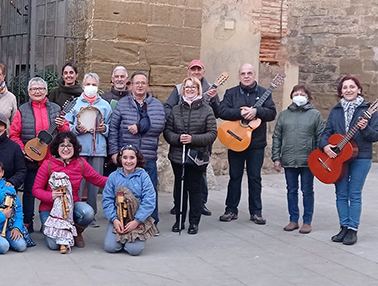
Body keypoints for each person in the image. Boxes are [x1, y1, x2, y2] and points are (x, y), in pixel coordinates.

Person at [321, 76, 378, 245]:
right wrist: (325, 146)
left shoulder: (369, 110)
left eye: (352, 87)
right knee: (340, 193)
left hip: (360, 156)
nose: (348, 90)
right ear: (340, 92)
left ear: (359, 89)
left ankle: (353, 229)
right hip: (339, 158)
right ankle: (343, 226)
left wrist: (366, 128)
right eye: (345, 87)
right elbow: (326, 133)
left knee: (354, 193)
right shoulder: (336, 111)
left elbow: (376, 135)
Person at [218, 63, 277, 225]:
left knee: (255, 177)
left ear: (254, 75)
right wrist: (240, 112)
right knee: (234, 176)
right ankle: (231, 209)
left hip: (256, 144)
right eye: (243, 73)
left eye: (249, 73)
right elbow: (222, 111)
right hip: (235, 140)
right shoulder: (231, 93)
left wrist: (257, 112)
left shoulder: (264, 93)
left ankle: (256, 212)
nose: (246, 76)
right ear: (239, 76)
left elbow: (272, 113)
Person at [9, 77, 69, 233]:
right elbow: (14, 134)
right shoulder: (23, 110)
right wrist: (24, 151)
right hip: (30, 158)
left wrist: (63, 126)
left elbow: (66, 134)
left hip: (51, 159)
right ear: (29, 92)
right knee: (29, 191)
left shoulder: (56, 109)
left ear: (46, 91)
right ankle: (28, 222)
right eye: (34, 89)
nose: (37, 91)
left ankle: (50, 220)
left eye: (41, 88)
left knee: (51, 191)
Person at [107, 71, 165, 226]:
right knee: (123, 190)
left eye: (143, 83)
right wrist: (113, 152)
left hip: (147, 155)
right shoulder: (122, 104)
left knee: (150, 190)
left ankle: (152, 222)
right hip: (126, 157)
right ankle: (122, 220)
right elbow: (113, 129)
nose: (140, 85)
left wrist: (139, 127)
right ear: (130, 85)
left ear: (147, 85)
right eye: (136, 83)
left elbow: (159, 125)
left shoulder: (156, 105)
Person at [164, 59, 219, 217]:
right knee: (179, 179)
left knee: (199, 179)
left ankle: (200, 205)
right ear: (188, 71)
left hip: (199, 148)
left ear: (203, 72)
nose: (196, 72)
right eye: (193, 69)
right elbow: (167, 107)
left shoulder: (210, 90)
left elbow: (217, 113)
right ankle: (178, 206)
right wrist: (174, 121)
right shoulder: (179, 89)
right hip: (179, 148)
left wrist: (214, 100)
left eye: (199, 69)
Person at [32, 131, 106, 249]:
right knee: (54, 245)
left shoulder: (80, 163)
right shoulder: (48, 165)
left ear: (74, 147)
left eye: (69, 145)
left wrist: (119, 179)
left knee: (88, 213)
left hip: (71, 207)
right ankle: (48, 226)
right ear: (57, 148)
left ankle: (76, 232)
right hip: (50, 210)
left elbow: (98, 180)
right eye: (62, 145)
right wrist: (51, 195)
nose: (66, 149)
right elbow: (36, 190)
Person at [272, 84, 324, 234]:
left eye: (302, 93)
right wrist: (276, 157)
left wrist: (319, 159)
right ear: (291, 96)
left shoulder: (315, 115)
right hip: (288, 159)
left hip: (309, 160)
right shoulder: (284, 115)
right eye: (296, 93)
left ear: (308, 97)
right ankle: (293, 219)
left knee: (307, 191)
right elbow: (277, 137)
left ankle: (307, 221)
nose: (299, 96)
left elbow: (321, 137)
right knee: (291, 190)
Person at [64, 72, 111, 227]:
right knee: (78, 182)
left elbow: (112, 126)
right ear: (83, 86)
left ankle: (92, 215)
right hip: (80, 149)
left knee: (95, 183)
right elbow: (66, 126)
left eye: (94, 84)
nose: (91, 87)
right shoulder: (75, 104)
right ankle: (75, 213)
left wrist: (105, 128)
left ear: (98, 86)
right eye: (88, 84)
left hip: (98, 150)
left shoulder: (105, 105)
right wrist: (76, 129)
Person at [102, 145, 158, 256]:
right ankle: (120, 236)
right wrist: (114, 219)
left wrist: (137, 221)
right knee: (110, 247)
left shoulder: (143, 176)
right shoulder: (113, 176)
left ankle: (131, 239)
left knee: (134, 250)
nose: (128, 161)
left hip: (137, 219)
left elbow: (149, 200)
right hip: (119, 217)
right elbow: (107, 200)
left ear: (137, 159)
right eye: (125, 157)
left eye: (132, 158)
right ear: (120, 159)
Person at [100, 65, 129, 178]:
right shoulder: (104, 98)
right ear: (112, 79)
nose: (119, 79)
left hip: (127, 141)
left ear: (127, 80)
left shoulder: (132, 97)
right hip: (108, 145)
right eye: (116, 76)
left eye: (122, 76)